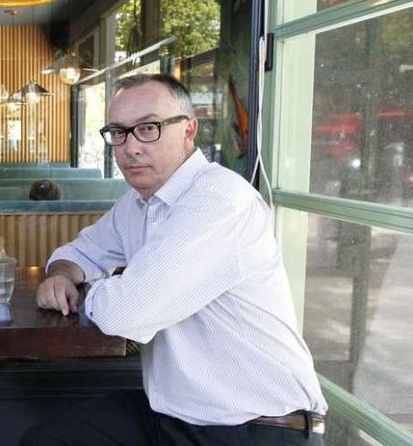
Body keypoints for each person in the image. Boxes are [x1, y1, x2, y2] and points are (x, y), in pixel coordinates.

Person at [24, 74, 327, 446]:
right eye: (118, 132)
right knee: (48, 440)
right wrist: (60, 275)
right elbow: (80, 252)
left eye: (148, 128)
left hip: (256, 426)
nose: (130, 147)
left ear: (189, 130)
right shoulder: (137, 205)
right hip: (174, 414)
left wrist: (87, 289)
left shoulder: (218, 201)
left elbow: (127, 313)